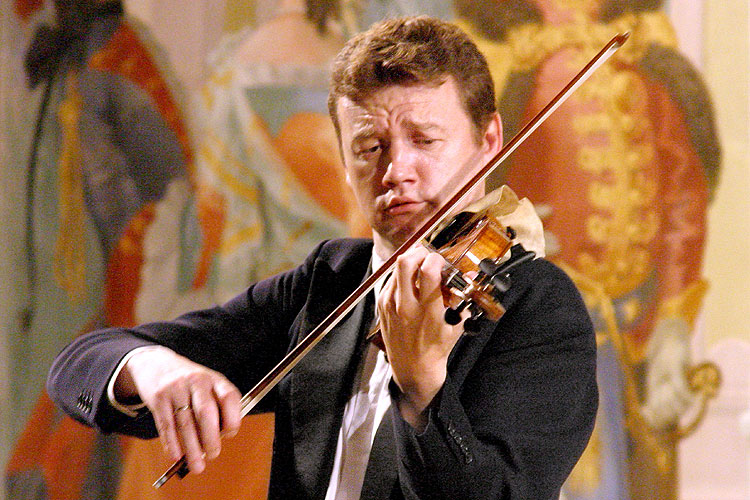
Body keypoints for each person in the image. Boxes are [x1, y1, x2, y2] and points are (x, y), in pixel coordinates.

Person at [47, 16, 598, 499]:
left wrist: (422, 389)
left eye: (425, 140)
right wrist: (154, 368)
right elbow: (79, 366)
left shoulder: (537, 309)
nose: (395, 172)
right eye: (369, 147)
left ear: (489, 140)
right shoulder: (330, 283)